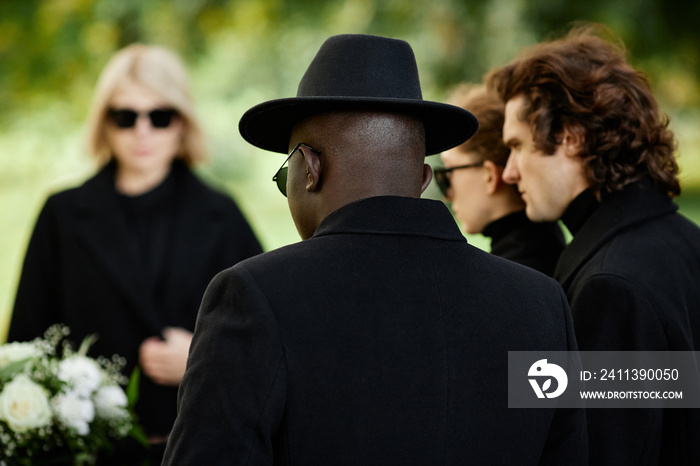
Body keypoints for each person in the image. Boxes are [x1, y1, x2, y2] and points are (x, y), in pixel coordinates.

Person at [163, 34, 586, 465]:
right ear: (422, 179)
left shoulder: (254, 297)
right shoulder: (542, 304)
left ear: (310, 168)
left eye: (282, 174)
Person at [8, 44, 262, 463]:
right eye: (125, 117)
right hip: (86, 453)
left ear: (182, 122)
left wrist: (202, 360)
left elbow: (266, 343)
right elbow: (25, 345)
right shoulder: (62, 215)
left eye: (160, 116)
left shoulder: (222, 214)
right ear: (104, 123)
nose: (142, 130)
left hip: (198, 450)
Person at [487, 25, 700, 465]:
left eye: (517, 147)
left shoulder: (611, 286)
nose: (509, 172)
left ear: (571, 136)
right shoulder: (682, 238)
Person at [435, 84, 565, 275]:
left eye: (447, 173)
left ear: (490, 175)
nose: (448, 195)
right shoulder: (545, 245)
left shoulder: (509, 273)